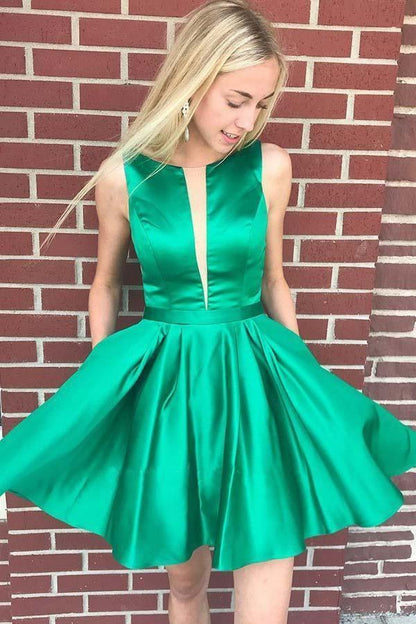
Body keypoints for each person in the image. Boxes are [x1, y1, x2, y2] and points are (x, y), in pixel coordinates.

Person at [1, 1, 415, 623]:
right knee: (186, 584)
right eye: (236, 100)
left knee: (267, 575)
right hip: (168, 384)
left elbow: (274, 281)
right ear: (191, 81)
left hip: (256, 374)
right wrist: (108, 385)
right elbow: (105, 285)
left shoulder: (270, 167)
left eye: (261, 104)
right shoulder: (122, 177)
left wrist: (301, 381)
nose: (248, 121)